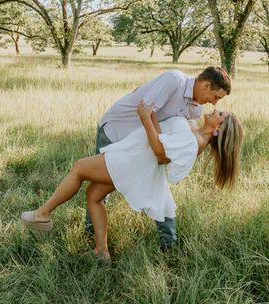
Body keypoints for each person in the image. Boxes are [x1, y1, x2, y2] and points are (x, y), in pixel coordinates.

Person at [20, 102, 243, 262]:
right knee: (94, 196)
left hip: (132, 161)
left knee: (79, 167)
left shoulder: (194, 142)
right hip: (134, 158)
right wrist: (155, 114)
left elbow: (159, 152)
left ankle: (43, 214)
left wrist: (146, 117)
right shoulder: (195, 130)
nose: (215, 109)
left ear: (218, 130)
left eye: (220, 114)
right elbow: (163, 135)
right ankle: (101, 251)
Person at [88, 66, 232, 249]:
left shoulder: (195, 109)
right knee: (100, 185)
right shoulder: (174, 81)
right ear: (205, 85)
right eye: (216, 97)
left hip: (144, 146)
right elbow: (146, 111)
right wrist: (162, 149)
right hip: (117, 130)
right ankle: (90, 232)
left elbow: (185, 139)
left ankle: (166, 242)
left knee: (148, 186)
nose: (215, 103)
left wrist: (170, 150)